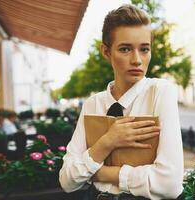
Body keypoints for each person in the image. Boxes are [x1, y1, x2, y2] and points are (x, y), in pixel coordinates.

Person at [59, 4, 184, 200]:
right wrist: (107, 142)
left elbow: (170, 183)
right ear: (106, 52)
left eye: (144, 49)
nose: (137, 60)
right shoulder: (93, 104)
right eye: (125, 49)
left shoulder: (161, 92)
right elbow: (67, 181)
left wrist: (101, 173)